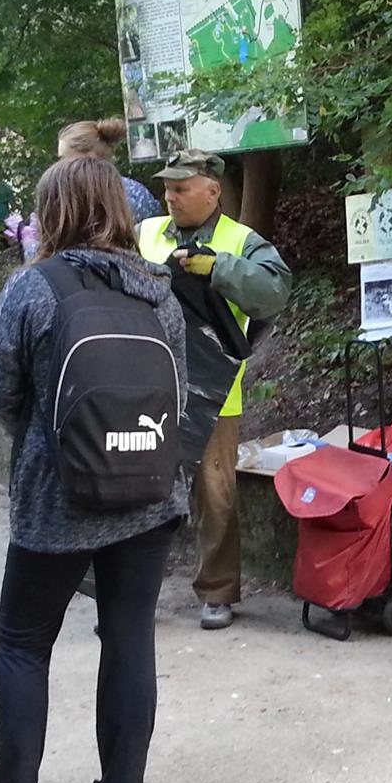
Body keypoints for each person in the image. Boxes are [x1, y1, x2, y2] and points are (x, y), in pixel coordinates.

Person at [0, 156, 188, 783]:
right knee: (129, 636)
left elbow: (2, 390)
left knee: (23, 640)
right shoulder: (160, 292)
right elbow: (178, 395)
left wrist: (50, 443)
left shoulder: (33, 288)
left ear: (51, 213)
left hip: (57, 497)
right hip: (150, 490)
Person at [135, 149, 290, 630]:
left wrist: (219, 268)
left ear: (212, 191)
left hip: (214, 390)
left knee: (215, 492)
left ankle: (218, 592)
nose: (171, 196)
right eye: (167, 188)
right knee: (138, 490)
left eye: (181, 188)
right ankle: (131, 593)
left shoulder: (240, 241)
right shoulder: (145, 232)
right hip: (147, 384)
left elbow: (275, 291)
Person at [58, 117, 163, 225]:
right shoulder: (136, 192)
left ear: (90, 157)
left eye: (65, 159)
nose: (59, 166)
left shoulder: (68, 199)